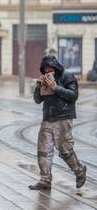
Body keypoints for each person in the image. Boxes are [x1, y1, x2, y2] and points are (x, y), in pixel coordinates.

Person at [28, 55, 87, 190]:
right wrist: (38, 87)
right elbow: (37, 100)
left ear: (56, 67)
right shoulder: (44, 79)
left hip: (64, 117)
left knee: (65, 149)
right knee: (43, 149)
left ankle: (79, 171)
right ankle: (45, 179)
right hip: (47, 118)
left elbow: (73, 95)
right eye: (45, 69)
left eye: (50, 68)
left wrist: (56, 87)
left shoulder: (67, 76)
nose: (48, 71)